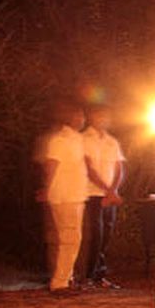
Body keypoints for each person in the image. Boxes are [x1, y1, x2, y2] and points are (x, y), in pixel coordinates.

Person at [37, 102, 89, 294]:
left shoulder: (77, 139)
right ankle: (60, 282)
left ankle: (66, 278)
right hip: (65, 196)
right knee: (69, 239)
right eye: (80, 115)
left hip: (74, 194)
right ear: (72, 118)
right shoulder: (60, 140)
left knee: (72, 239)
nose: (83, 119)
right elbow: (51, 165)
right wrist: (46, 188)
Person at [79, 102, 125, 288]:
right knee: (94, 235)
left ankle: (100, 275)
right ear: (91, 117)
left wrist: (113, 190)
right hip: (92, 193)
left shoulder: (111, 141)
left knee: (106, 234)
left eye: (106, 116)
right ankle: (86, 275)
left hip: (109, 195)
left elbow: (119, 167)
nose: (103, 120)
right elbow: (89, 169)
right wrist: (108, 190)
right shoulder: (83, 139)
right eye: (99, 116)